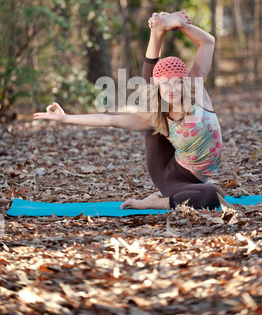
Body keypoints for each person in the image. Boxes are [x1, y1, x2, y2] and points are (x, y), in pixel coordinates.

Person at [33, 11, 225, 211]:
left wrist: (179, 25)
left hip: (191, 177)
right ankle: (150, 203)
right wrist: (65, 118)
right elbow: (109, 120)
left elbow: (208, 43)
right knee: (211, 195)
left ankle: (159, 29)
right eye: (165, 84)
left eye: (177, 82)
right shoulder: (155, 116)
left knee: (217, 193)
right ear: (158, 88)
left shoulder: (197, 90)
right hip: (168, 175)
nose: (173, 89)